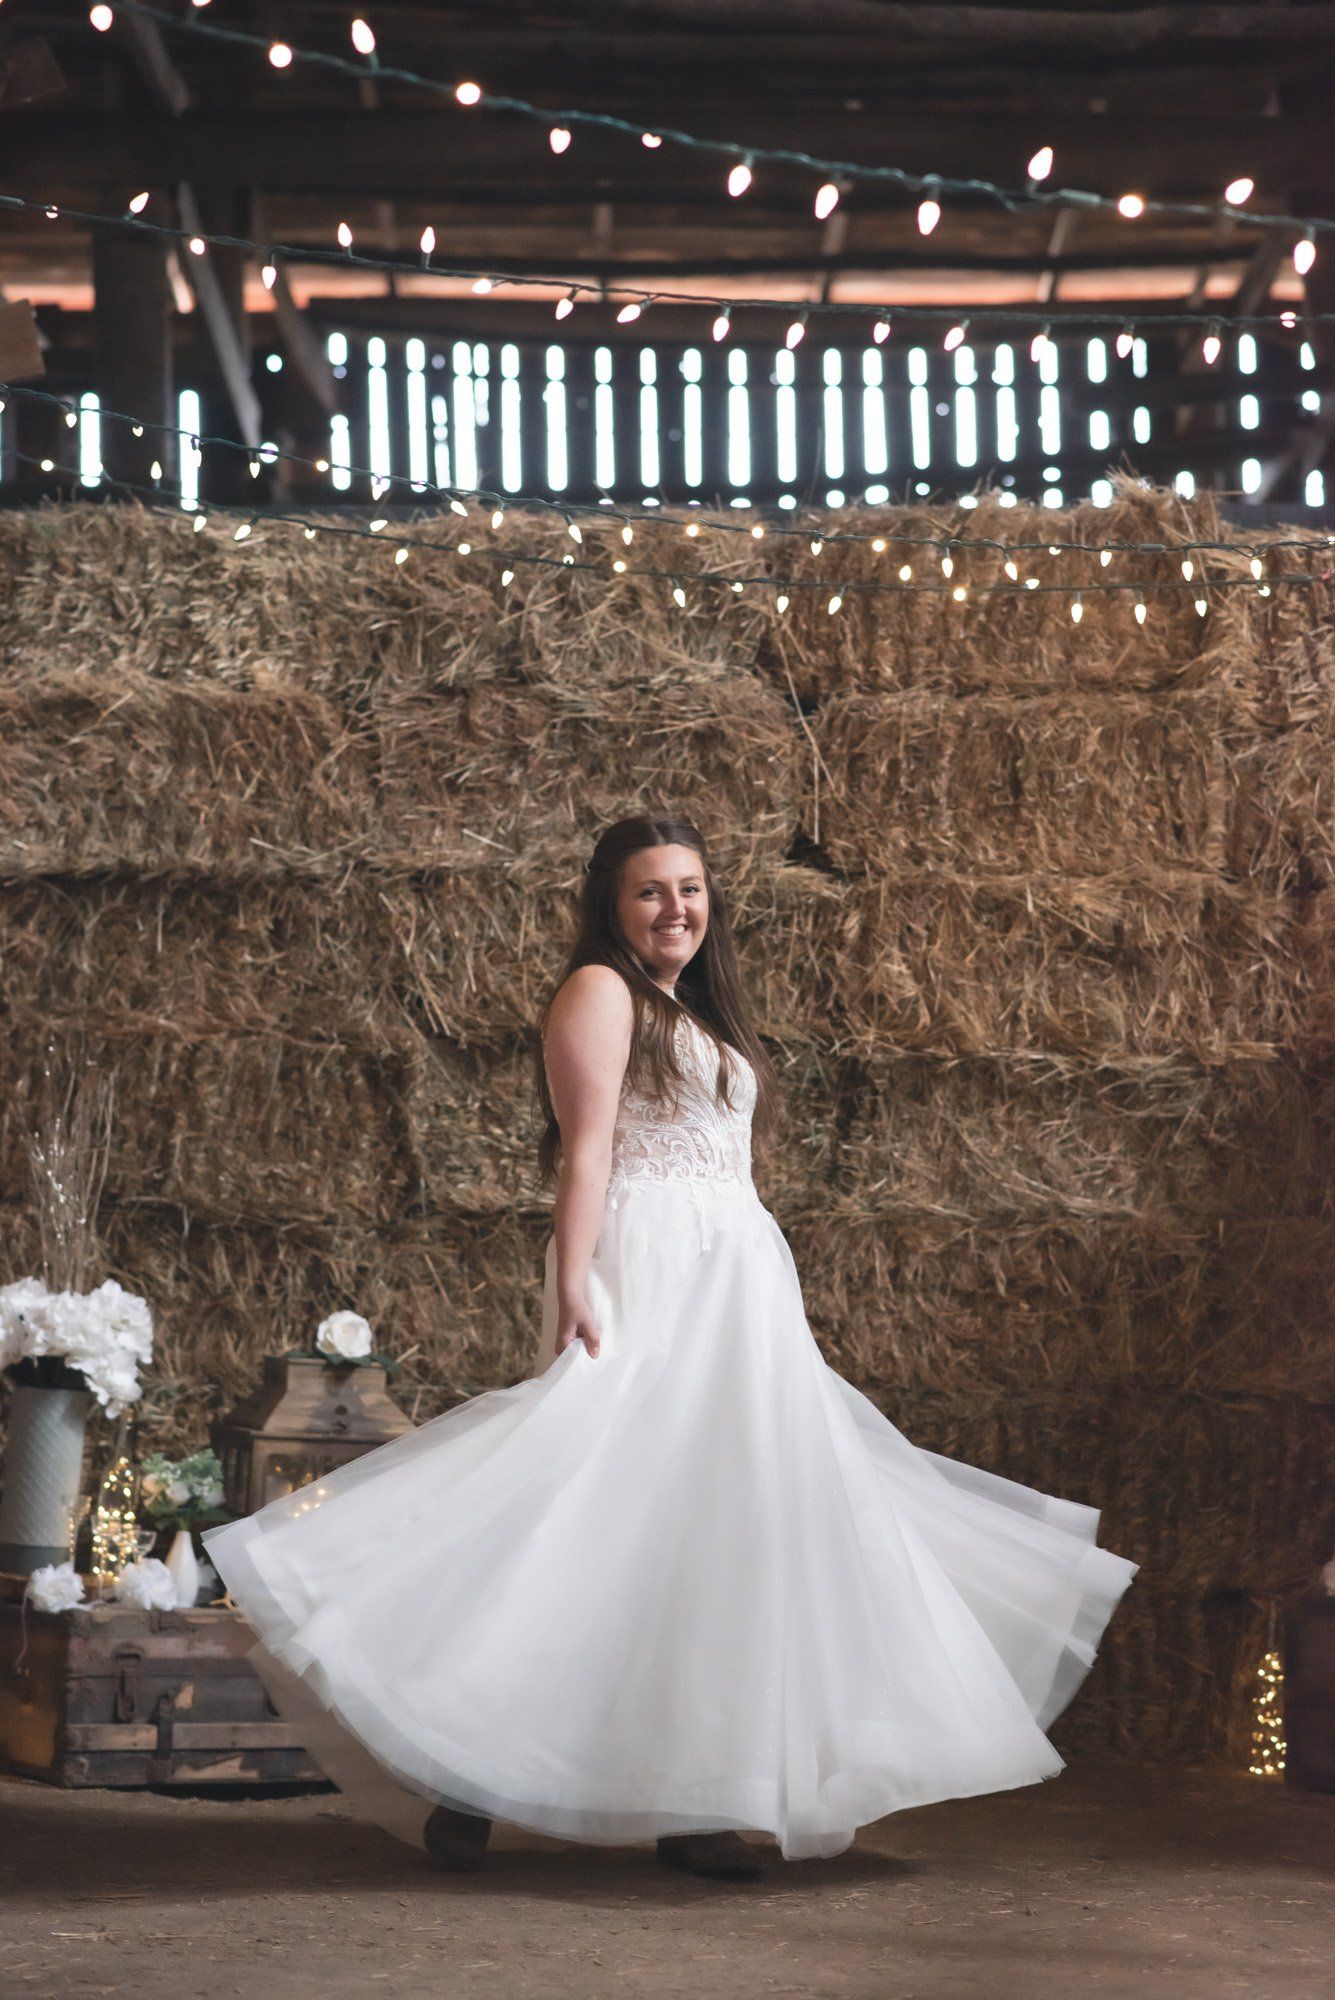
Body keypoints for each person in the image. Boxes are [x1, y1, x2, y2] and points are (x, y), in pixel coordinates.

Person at [204, 812, 1138, 1882]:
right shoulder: (599, 993)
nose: (677, 907)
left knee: (721, 1529)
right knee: (598, 1508)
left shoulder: (695, 1007)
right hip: (654, 1270)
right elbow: (586, 1152)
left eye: (691, 887)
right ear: (612, 903)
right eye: (652, 890)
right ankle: (472, 1768)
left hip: (737, 1280)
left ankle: (694, 1793)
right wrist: (573, 1288)